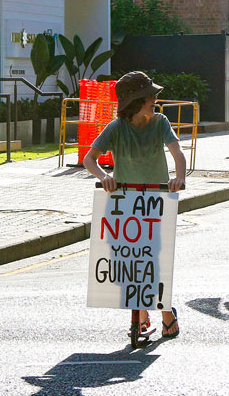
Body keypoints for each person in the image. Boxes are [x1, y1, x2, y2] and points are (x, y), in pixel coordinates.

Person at [83, 71, 186, 339]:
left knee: (155, 259)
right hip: (124, 202)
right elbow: (89, 159)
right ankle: (141, 313)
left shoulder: (160, 122)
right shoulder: (116, 128)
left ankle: (164, 314)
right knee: (129, 260)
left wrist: (179, 178)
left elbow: (177, 153)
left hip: (156, 201)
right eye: (149, 96)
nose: (154, 99)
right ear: (135, 101)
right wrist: (104, 177)